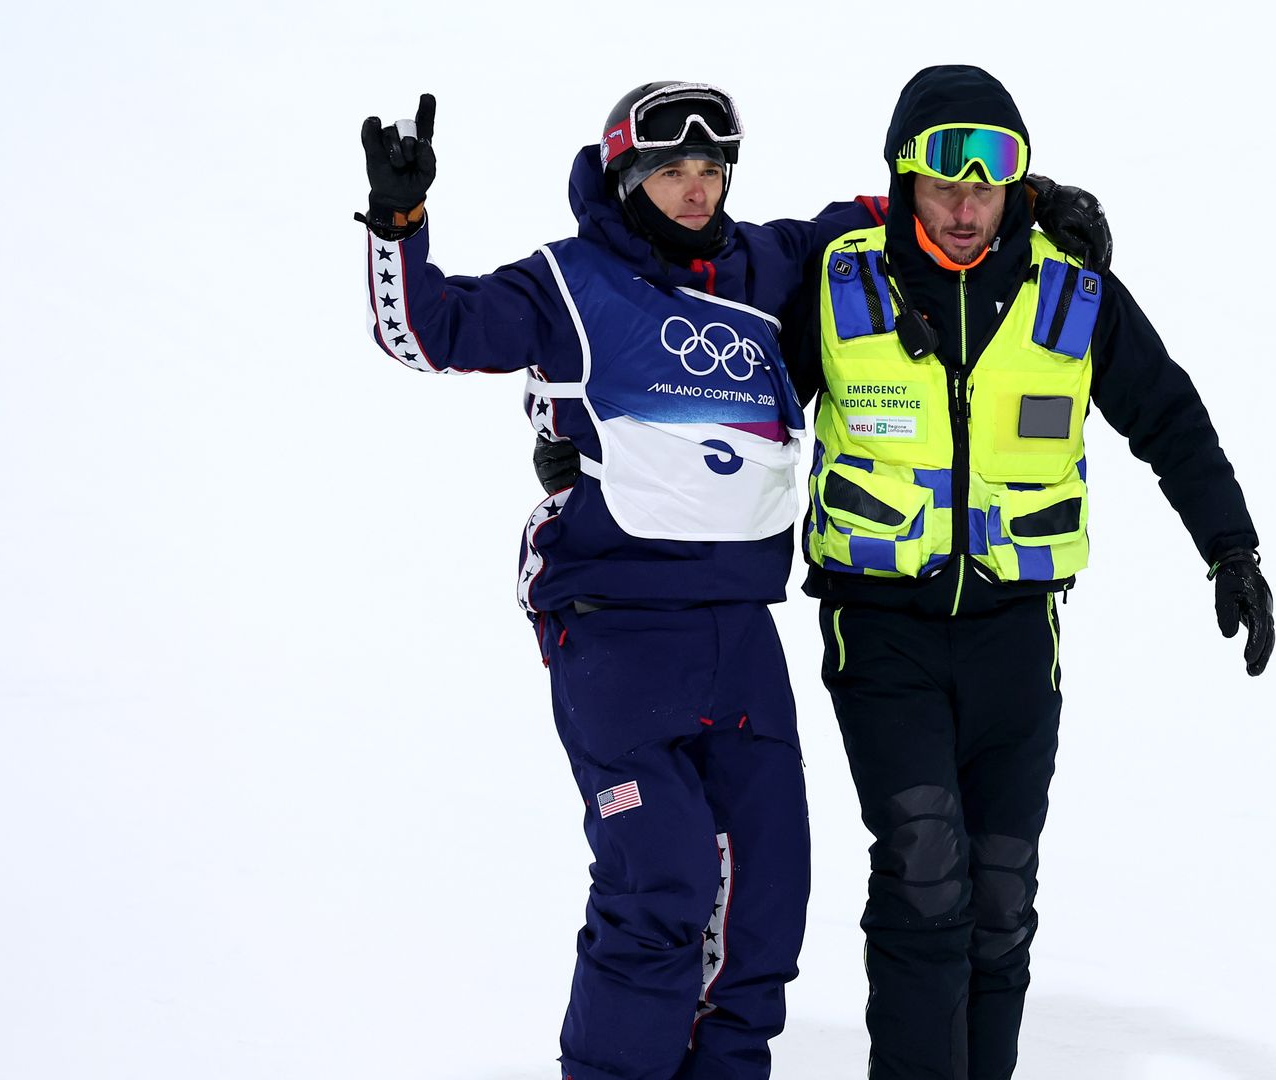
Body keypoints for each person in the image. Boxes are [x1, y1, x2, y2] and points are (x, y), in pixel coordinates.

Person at [356, 84, 1111, 1080]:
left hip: (739, 632)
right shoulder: (570, 283)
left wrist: (1035, 200)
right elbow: (431, 328)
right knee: (660, 886)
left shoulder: (768, 264)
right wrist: (398, 225)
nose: (695, 190)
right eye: (672, 170)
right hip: (616, 622)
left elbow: (896, 213)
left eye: (711, 171)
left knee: (764, 905)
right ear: (628, 176)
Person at [783, 65, 1276, 1080]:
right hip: (883, 630)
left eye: (988, 186)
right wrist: (589, 445)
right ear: (903, 180)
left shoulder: (1073, 292)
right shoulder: (839, 280)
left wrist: (1233, 549)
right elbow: (729, 393)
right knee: (926, 872)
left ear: (1020, 186)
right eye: (942, 184)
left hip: (1017, 635)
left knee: (1000, 891)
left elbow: (1170, 421)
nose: (966, 209)